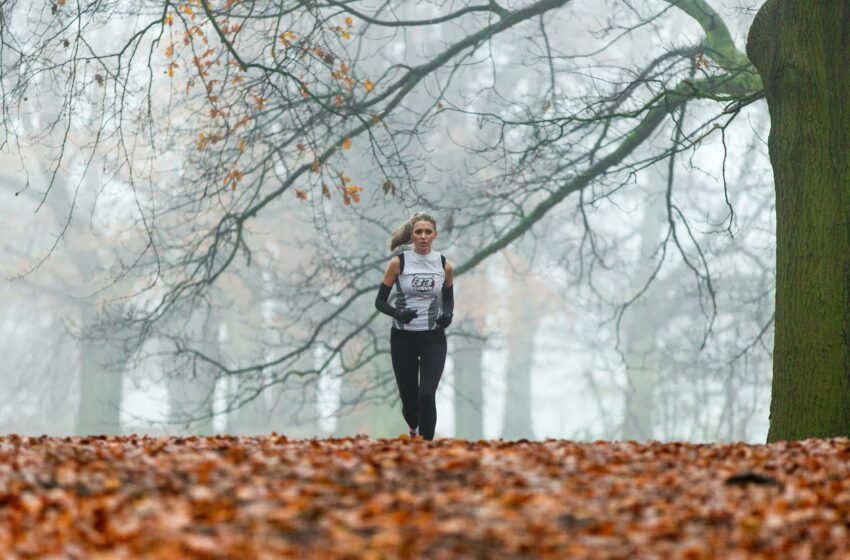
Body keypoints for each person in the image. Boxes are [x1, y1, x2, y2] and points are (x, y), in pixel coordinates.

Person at [374, 212, 454, 441]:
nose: (423, 236)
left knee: (427, 395)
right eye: (418, 232)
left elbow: (448, 301)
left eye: (428, 232)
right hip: (403, 338)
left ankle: (427, 448)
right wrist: (398, 312)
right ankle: (415, 428)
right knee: (410, 403)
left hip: (433, 339)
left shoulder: (444, 265)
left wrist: (447, 315)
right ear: (412, 235)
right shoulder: (398, 263)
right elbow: (379, 301)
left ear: (435, 235)